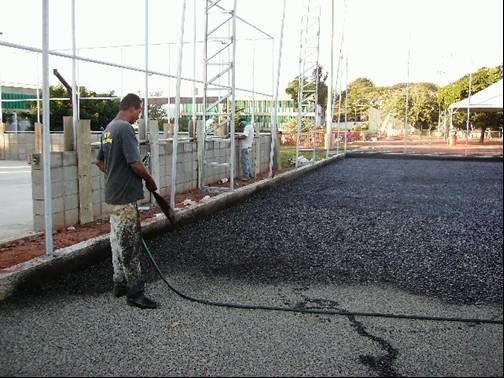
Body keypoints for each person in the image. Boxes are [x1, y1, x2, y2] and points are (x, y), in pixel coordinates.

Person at [96, 94, 159, 310]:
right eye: (138, 112)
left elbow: (100, 162)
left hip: (112, 195)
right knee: (130, 244)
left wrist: (115, 175)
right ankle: (135, 293)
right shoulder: (124, 128)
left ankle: (119, 283)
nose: (137, 117)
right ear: (132, 108)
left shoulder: (108, 130)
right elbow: (135, 163)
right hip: (124, 198)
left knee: (116, 240)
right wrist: (149, 180)